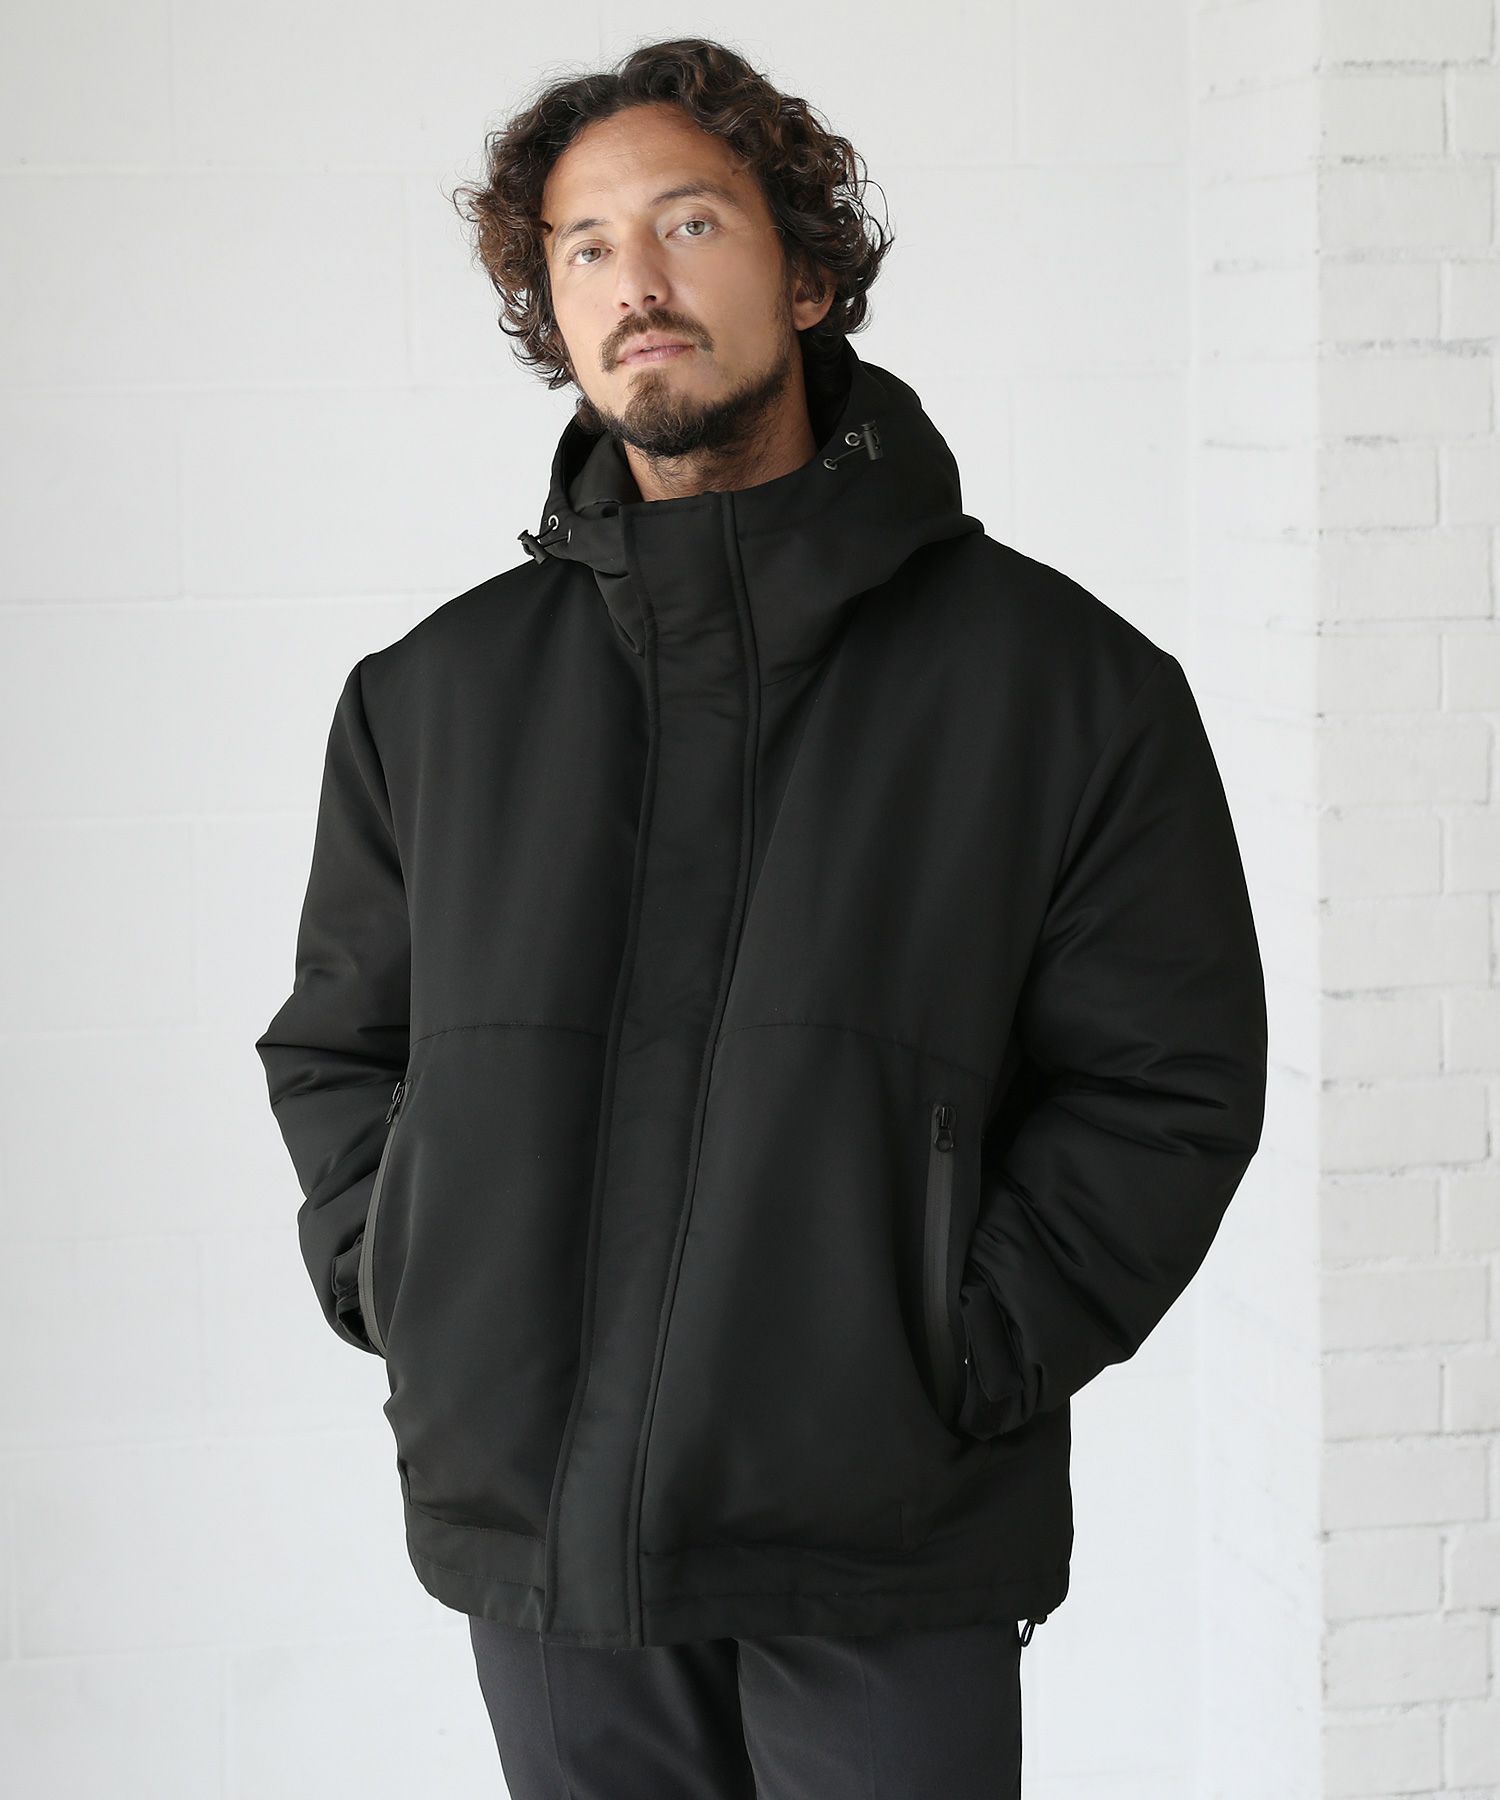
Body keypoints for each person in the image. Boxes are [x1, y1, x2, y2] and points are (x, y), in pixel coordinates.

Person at [254, 35, 1268, 1800]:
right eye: (583, 247)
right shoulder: (431, 699)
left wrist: (954, 1353)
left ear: (806, 274)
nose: (634, 282)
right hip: (545, 1531)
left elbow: (1165, 1084)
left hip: (881, 1535)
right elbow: (340, 1050)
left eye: (689, 222)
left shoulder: (1065, 688)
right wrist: (414, 1285)